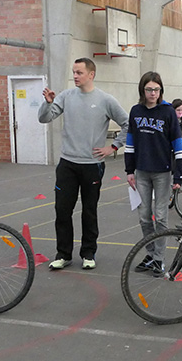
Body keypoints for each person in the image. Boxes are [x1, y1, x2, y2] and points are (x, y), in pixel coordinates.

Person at [38, 58, 129, 271]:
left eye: (79, 72)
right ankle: (63, 254)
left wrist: (113, 147)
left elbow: (127, 123)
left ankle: (88, 253)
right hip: (68, 164)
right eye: (74, 72)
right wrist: (48, 103)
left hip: (92, 165)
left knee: (89, 211)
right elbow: (44, 118)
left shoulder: (106, 100)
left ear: (91, 74)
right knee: (62, 210)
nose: (75, 76)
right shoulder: (66, 97)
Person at [126, 72, 182, 276]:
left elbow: (177, 144)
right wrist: (128, 170)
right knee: (144, 217)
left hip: (162, 172)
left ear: (161, 90)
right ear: (143, 90)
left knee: (160, 216)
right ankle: (150, 254)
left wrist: (179, 174)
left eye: (156, 89)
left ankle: (159, 259)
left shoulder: (167, 112)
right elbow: (130, 143)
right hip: (141, 171)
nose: (153, 93)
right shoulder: (136, 111)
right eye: (149, 89)